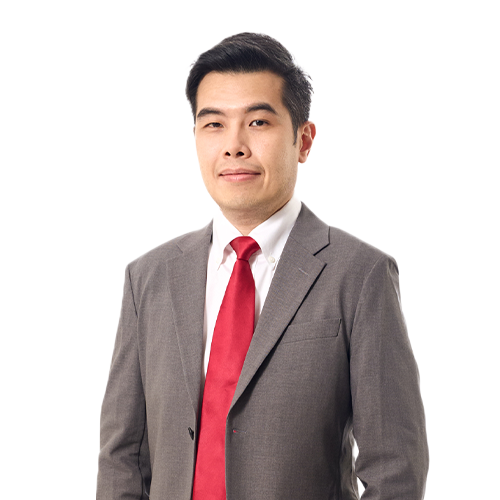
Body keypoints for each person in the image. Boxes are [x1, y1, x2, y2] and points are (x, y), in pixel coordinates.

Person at [97, 31, 429, 500]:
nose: (234, 146)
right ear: (195, 138)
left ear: (303, 140)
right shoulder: (149, 276)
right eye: (214, 124)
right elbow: (121, 460)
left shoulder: (360, 274)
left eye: (257, 122)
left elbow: (396, 469)